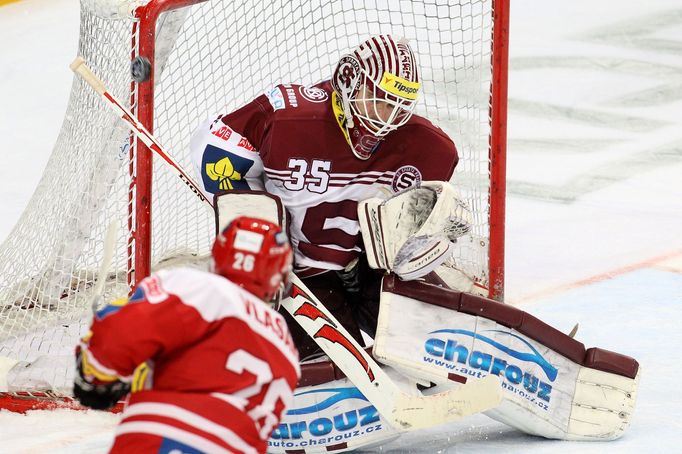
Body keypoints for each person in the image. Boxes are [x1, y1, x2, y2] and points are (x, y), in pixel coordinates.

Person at [189, 34, 459, 359]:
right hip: (300, 279)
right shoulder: (288, 117)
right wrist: (257, 227)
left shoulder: (428, 147)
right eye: (380, 100)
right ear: (349, 80)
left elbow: (412, 230)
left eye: (400, 107)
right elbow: (217, 150)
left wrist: (426, 239)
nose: (387, 118)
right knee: (334, 363)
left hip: (367, 268)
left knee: (439, 337)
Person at [73, 216, 299, 454]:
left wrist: (95, 377)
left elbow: (120, 333)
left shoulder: (196, 286)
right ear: (278, 276)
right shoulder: (285, 343)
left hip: (164, 438)